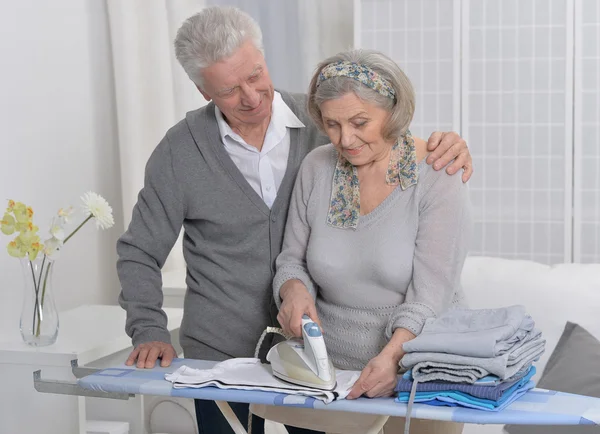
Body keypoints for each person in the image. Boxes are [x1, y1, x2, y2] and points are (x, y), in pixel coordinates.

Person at [116, 6, 473, 434]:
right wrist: (148, 328)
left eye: (255, 75)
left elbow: (381, 135)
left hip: (311, 357)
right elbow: (139, 249)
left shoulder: (320, 123)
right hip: (222, 350)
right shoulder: (182, 151)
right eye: (230, 90)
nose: (250, 97)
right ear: (201, 89)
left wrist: (447, 146)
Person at [273, 49, 472, 434]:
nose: (345, 138)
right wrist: (294, 292)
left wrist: (393, 356)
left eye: (360, 122)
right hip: (332, 377)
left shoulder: (438, 172)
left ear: (393, 112)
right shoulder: (316, 167)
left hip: (419, 369)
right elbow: (292, 260)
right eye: (331, 124)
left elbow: (430, 295)